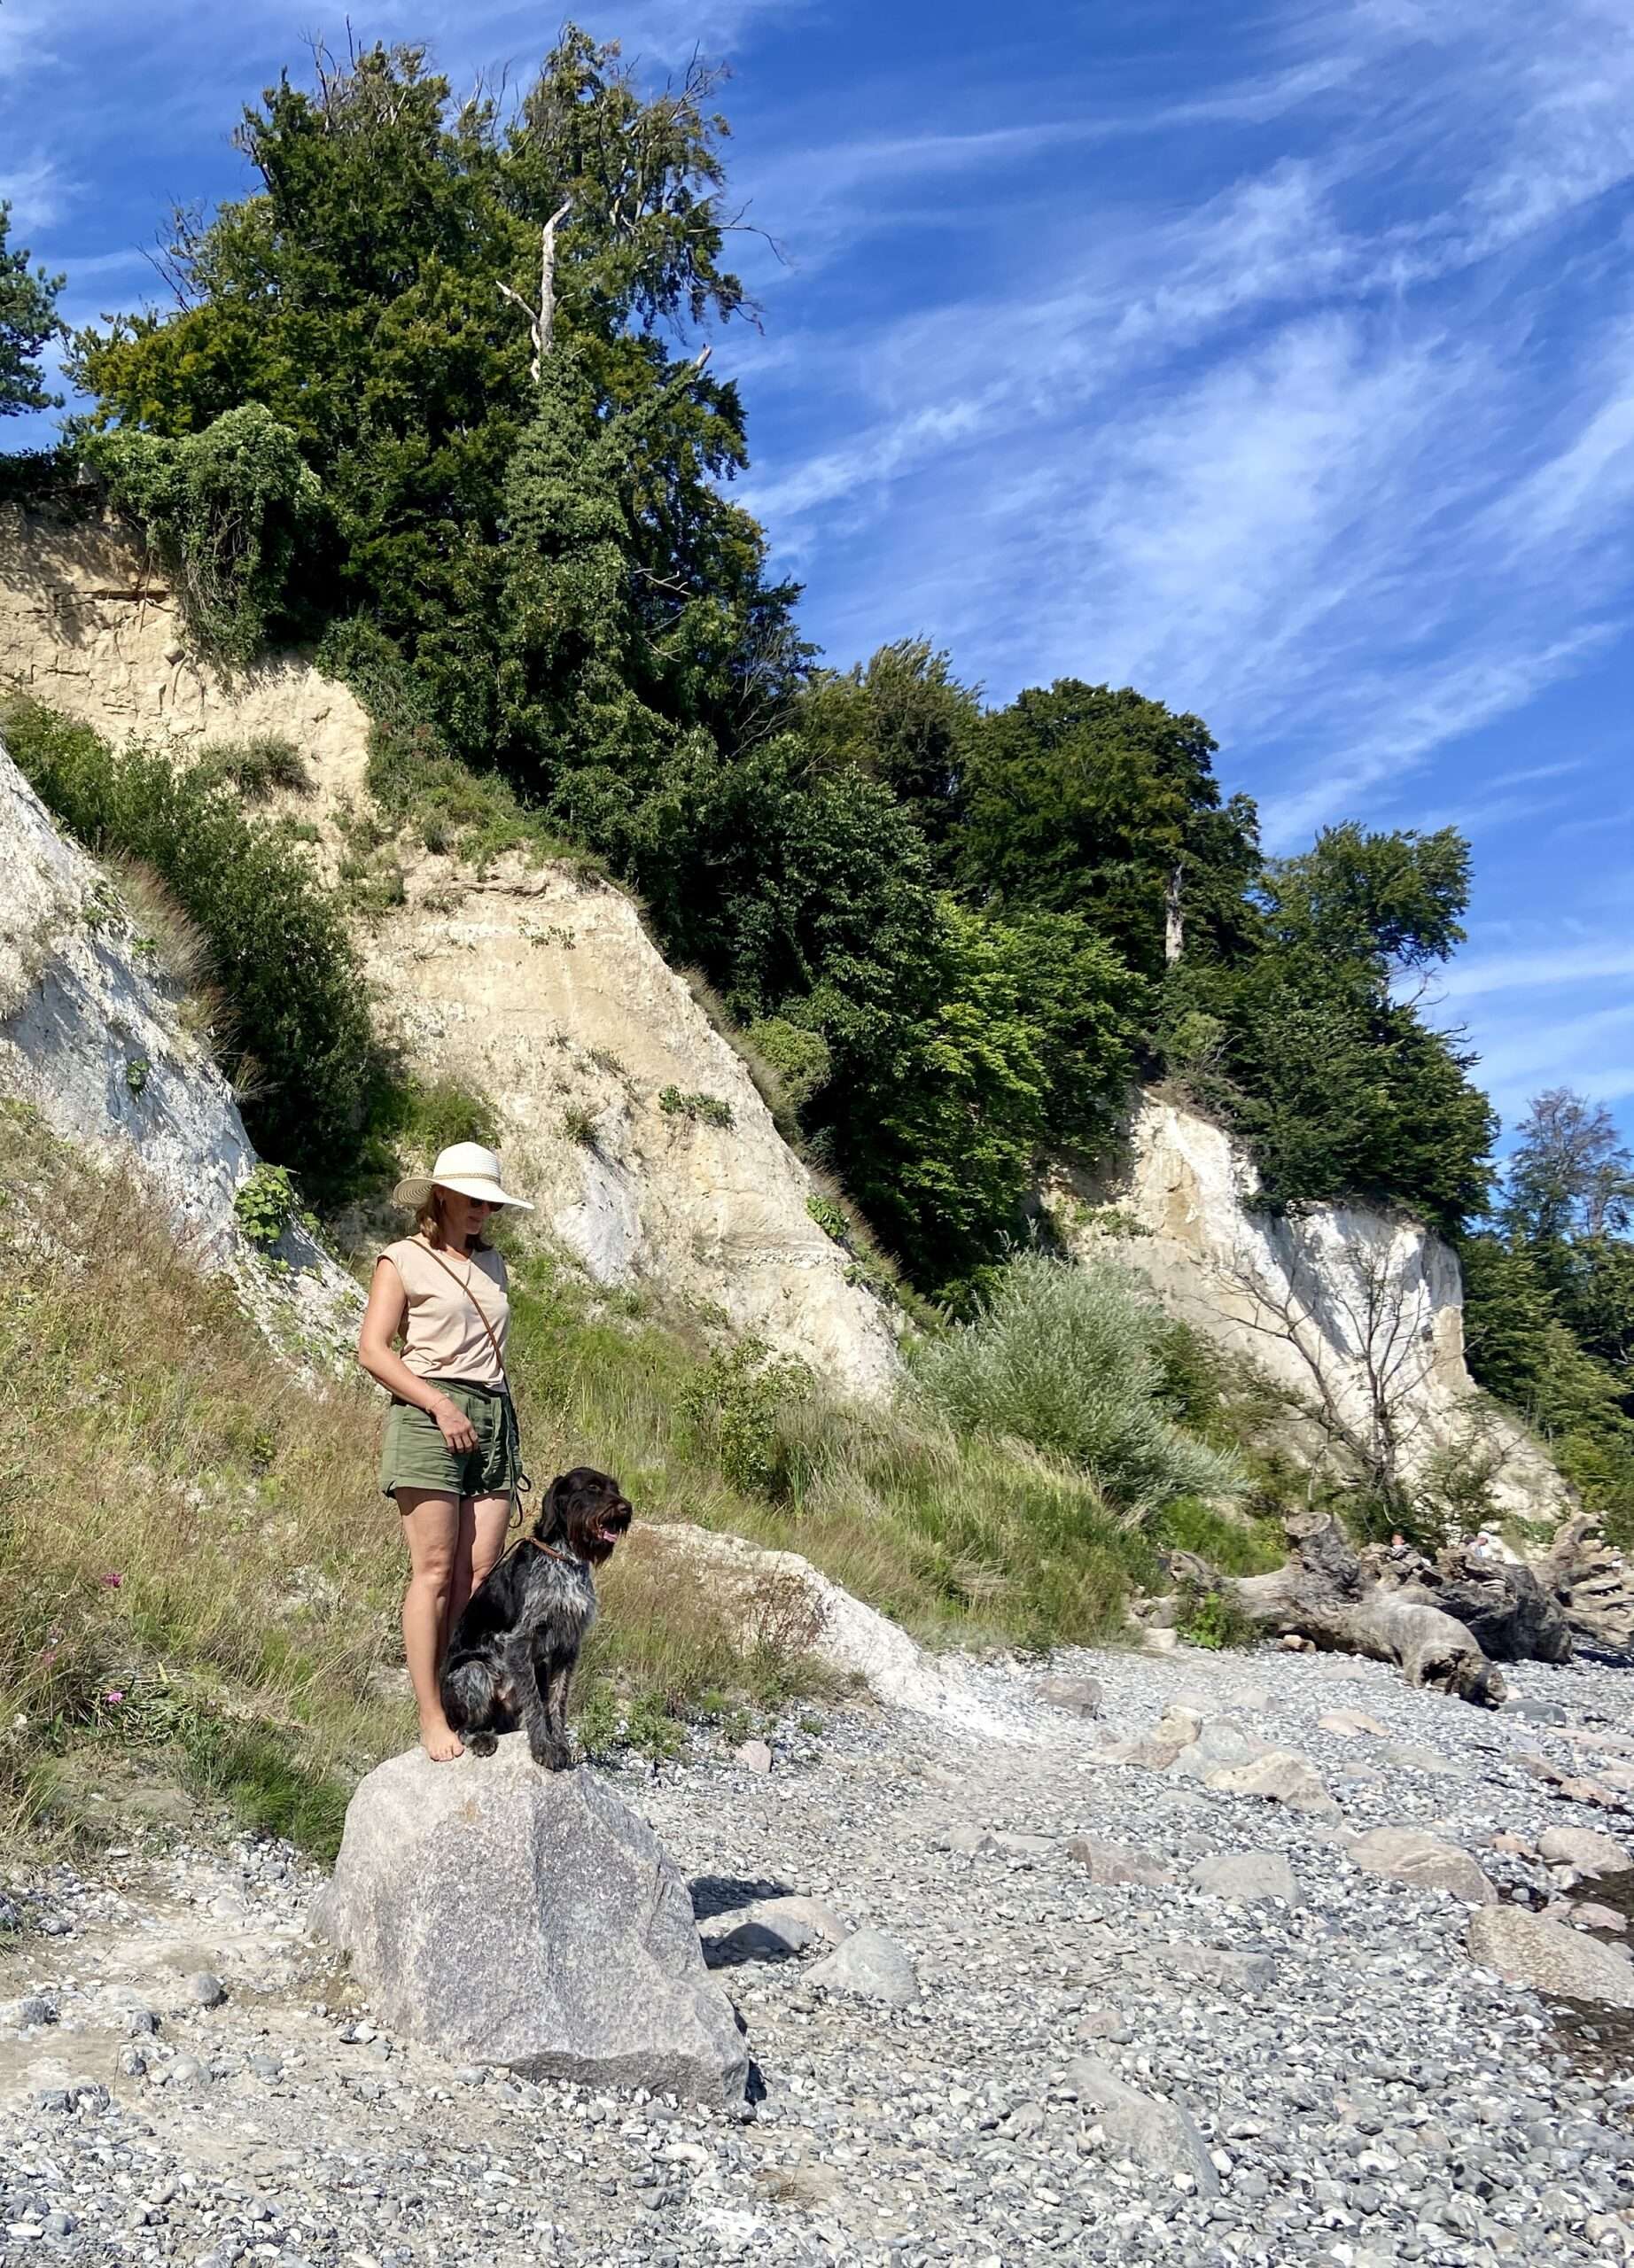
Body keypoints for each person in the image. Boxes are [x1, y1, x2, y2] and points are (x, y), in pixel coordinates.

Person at [357, 1141, 533, 1760]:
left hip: (492, 1414)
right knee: (433, 1574)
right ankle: (432, 1716)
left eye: (492, 1200)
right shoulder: (402, 1259)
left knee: (479, 1576)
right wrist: (439, 1403)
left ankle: (468, 1701)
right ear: (442, 1195)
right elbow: (374, 1350)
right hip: (431, 1411)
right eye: (473, 1197)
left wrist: (488, 1415)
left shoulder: (495, 1264)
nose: (484, 1209)